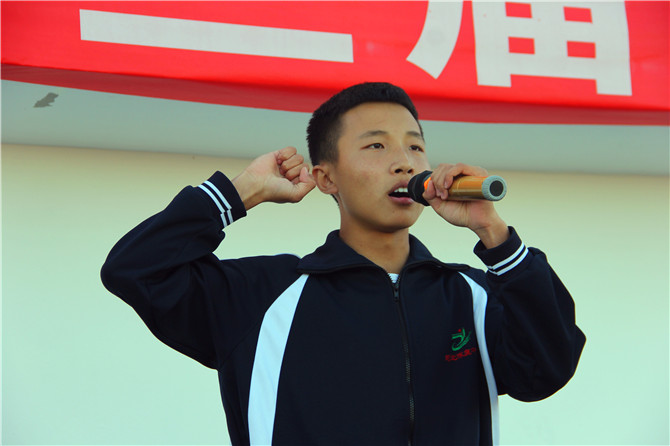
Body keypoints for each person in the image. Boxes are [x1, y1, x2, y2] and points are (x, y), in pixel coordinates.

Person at [101, 82, 585, 446]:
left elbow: (549, 367)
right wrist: (240, 192)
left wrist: (494, 233)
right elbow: (136, 268)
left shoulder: (472, 295)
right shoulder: (263, 297)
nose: (404, 162)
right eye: (376, 146)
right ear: (326, 178)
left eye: (415, 146)